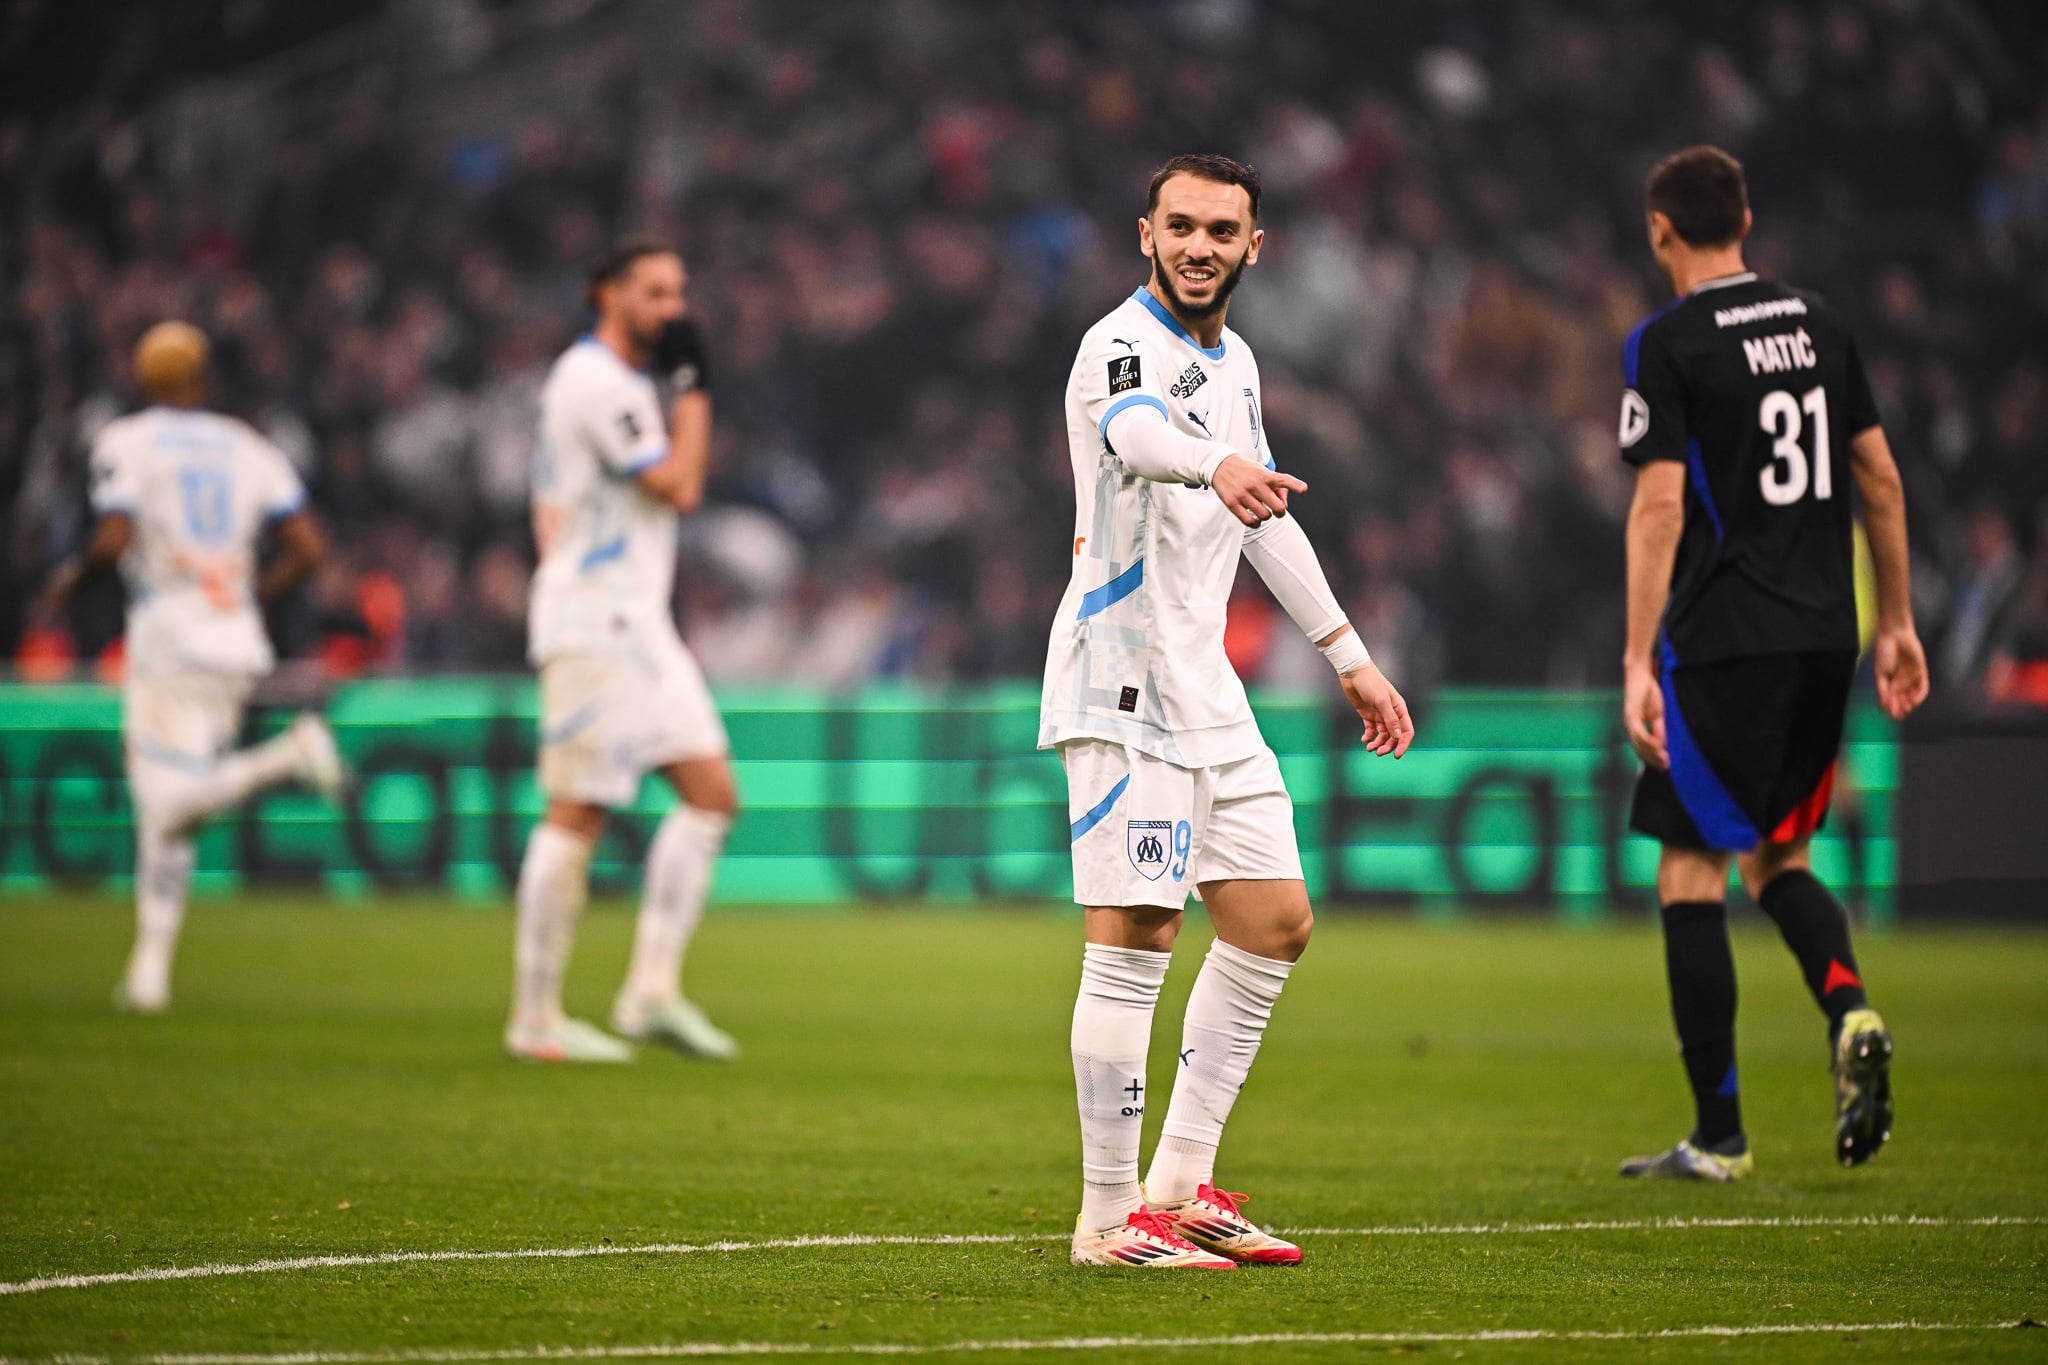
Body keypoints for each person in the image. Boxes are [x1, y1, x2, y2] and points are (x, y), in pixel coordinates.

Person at [1040, 154, 1415, 1269]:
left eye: (1222, 230)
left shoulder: (1235, 358)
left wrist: (1347, 654)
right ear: (1143, 235)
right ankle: (1106, 1222)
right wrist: (1212, 463)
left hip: (1206, 684)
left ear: (1255, 247)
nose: (1199, 246)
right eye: (1181, 226)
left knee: (1272, 922)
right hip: (1121, 682)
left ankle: (1181, 1184)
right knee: (1134, 943)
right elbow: (1140, 436)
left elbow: (1261, 514)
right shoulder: (1119, 344)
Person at [1615, 147, 1930, 1180]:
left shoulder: (1665, 344)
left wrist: (1632, 657)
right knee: (1779, 860)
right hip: (1823, 638)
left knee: (1687, 870)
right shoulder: (1820, 325)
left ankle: (1717, 1137)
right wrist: (1896, 622)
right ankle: (1848, 1006)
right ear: (1743, 216)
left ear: (1660, 229)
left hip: (1720, 642)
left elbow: (1659, 503)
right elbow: (1877, 478)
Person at [33, 321, 343, 1013]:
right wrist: (246, 594)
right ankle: (148, 971)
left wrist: (69, 579)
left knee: (166, 805)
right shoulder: (247, 445)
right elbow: (310, 549)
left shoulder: (126, 442)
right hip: (233, 638)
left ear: (143, 378)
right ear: (203, 377)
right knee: (180, 803)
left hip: (169, 635)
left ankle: (288, 755)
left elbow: (113, 538)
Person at [506, 240, 740, 1064]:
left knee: (711, 793)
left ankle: (649, 990)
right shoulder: (598, 383)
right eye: (653, 292)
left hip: (637, 621)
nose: (671, 307)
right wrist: (698, 388)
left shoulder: (619, 385)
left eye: (678, 291)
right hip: (596, 621)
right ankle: (534, 1015)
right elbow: (679, 484)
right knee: (579, 809)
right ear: (606, 294)